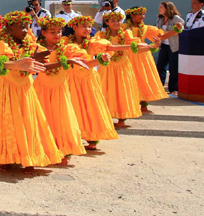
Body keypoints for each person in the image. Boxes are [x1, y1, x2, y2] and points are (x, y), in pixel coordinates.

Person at [0, 11, 58, 169]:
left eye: (27, 27)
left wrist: (40, 58)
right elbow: (3, 66)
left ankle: (29, 156)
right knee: (9, 122)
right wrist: (31, 59)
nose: (26, 30)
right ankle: (6, 157)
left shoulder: (31, 45)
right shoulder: (1, 45)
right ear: (10, 29)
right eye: (21, 27)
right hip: (8, 88)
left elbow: (41, 64)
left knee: (28, 121)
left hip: (25, 88)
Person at [33, 17, 89, 163]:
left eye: (59, 32)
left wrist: (101, 60)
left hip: (60, 89)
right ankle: (45, 150)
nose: (57, 35)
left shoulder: (66, 48)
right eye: (53, 32)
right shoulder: (38, 49)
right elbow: (42, 67)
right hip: (42, 88)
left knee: (62, 119)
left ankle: (64, 151)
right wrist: (67, 61)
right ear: (43, 33)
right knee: (43, 120)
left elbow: (84, 63)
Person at [64, 15, 119, 151]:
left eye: (89, 26)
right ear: (75, 27)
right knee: (74, 105)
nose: (88, 29)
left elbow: (110, 48)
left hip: (88, 78)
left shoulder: (92, 42)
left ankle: (92, 138)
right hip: (71, 78)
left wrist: (132, 46)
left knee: (91, 105)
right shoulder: (66, 43)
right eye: (84, 26)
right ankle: (73, 135)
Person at [95, 11, 148, 128]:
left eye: (118, 20)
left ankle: (121, 120)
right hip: (107, 67)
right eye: (112, 20)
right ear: (107, 22)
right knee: (106, 90)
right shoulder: (101, 36)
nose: (116, 23)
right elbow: (101, 49)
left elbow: (135, 49)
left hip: (122, 66)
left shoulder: (126, 34)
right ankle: (106, 118)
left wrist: (151, 47)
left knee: (122, 91)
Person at [123, 7, 171, 114]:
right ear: (132, 15)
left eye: (143, 14)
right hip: (129, 55)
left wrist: (175, 31)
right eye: (139, 14)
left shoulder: (146, 28)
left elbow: (161, 36)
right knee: (130, 79)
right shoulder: (125, 27)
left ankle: (144, 105)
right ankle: (131, 105)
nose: (142, 17)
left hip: (143, 56)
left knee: (143, 78)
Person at [154, 1, 184, 95]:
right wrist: (165, 34)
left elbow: (179, 31)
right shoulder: (160, 19)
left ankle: (174, 88)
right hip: (163, 46)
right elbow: (157, 32)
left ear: (167, 9)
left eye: (161, 7)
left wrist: (164, 33)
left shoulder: (175, 18)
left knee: (173, 67)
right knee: (160, 66)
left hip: (174, 46)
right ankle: (159, 86)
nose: (159, 9)